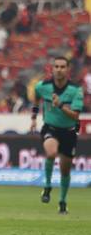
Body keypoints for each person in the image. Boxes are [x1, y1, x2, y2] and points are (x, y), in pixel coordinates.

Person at [30, 56, 84, 214]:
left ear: (68, 70)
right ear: (52, 69)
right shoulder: (42, 86)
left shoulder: (75, 90)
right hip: (50, 128)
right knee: (51, 152)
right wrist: (33, 118)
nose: (59, 69)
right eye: (56, 66)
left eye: (62, 67)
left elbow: (75, 116)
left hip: (68, 131)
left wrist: (60, 105)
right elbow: (36, 101)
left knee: (65, 170)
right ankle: (47, 185)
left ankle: (62, 201)